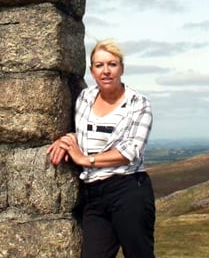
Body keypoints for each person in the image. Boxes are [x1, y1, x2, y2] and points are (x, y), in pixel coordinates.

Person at [47, 39, 155, 258]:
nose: (106, 71)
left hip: (128, 190)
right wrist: (66, 140)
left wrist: (86, 160)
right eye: (99, 65)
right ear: (92, 70)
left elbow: (131, 151)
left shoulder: (138, 103)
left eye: (112, 64)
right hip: (94, 194)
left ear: (121, 68)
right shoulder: (85, 98)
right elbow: (85, 135)